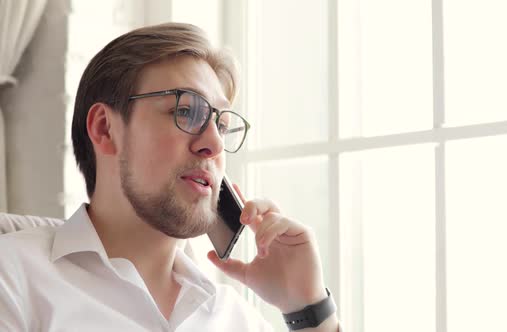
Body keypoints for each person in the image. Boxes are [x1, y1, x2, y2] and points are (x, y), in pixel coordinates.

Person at [0, 23, 340, 331]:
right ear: (105, 129)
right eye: (186, 111)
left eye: (221, 125)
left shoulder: (237, 319)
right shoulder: (13, 277)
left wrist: (308, 310)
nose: (214, 144)